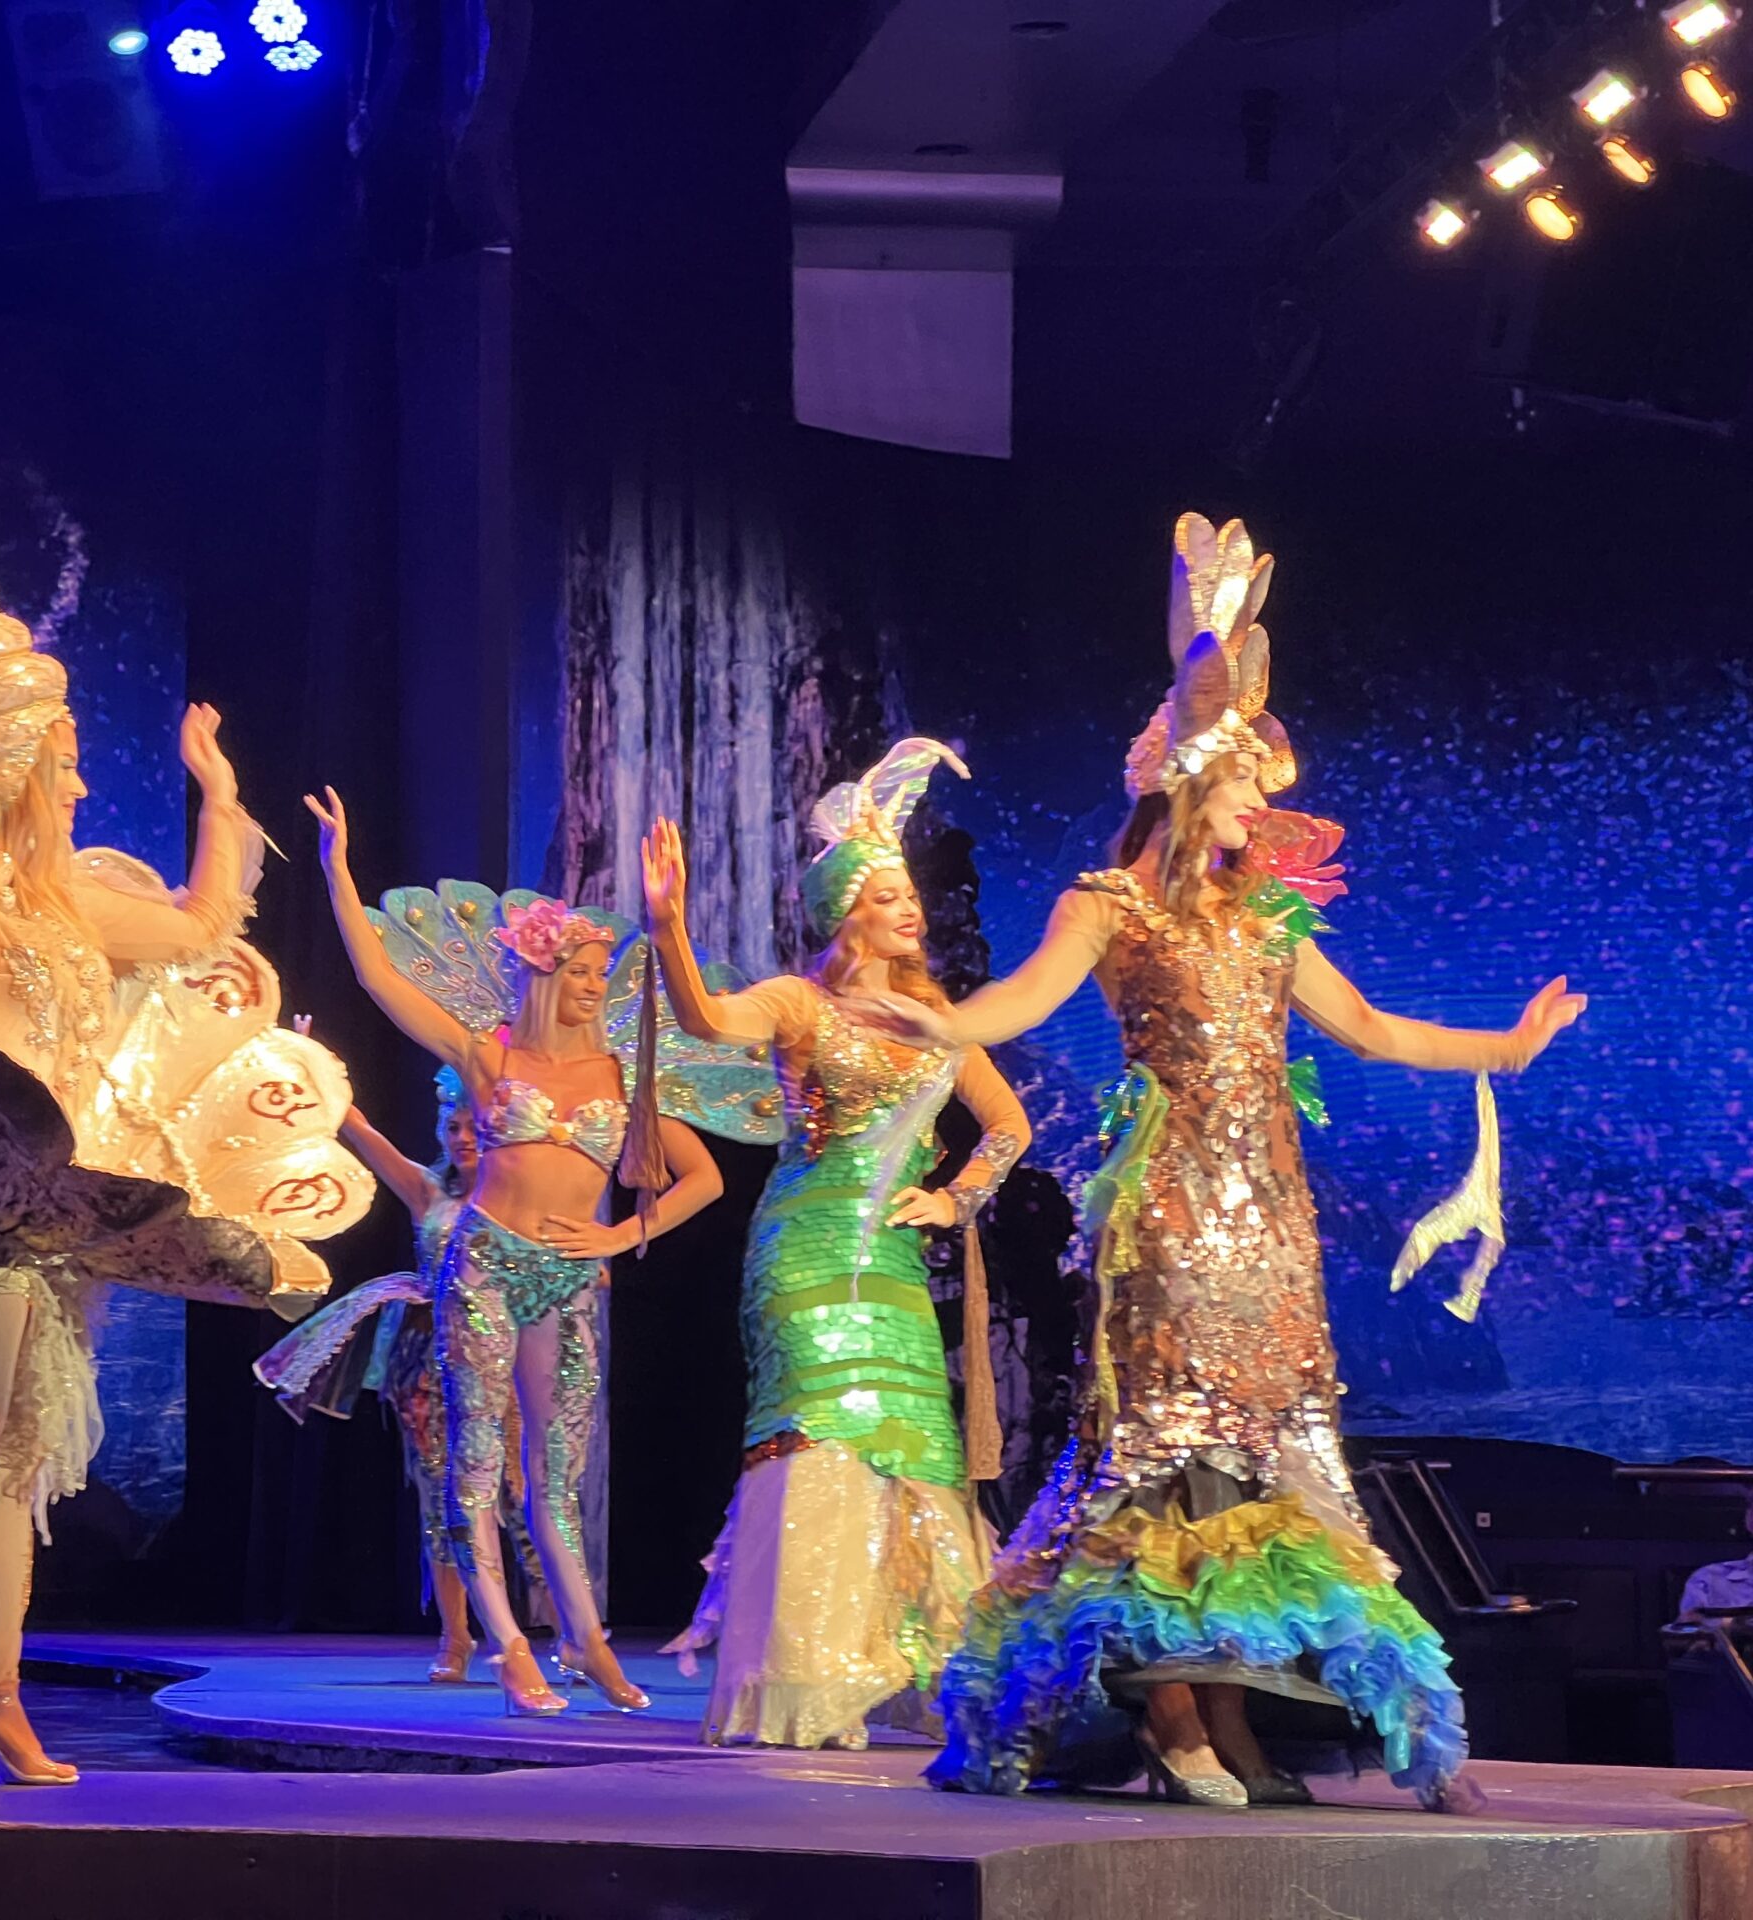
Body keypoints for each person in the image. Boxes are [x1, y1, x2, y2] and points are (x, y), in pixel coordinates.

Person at [916, 515, 1583, 1810]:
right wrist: (929, 1021)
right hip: (1165, 1210)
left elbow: (1372, 1028)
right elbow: (1015, 1004)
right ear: (1191, 779)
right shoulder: (1107, 905)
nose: (1263, 808)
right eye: (1244, 783)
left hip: (1267, 1218)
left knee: (1279, 1462)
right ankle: (1172, 1714)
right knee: (1166, 1452)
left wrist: (1506, 1044)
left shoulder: (1268, 918)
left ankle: (1244, 1714)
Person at [0, 481, 368, 1799]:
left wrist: (220, 798)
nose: (76, 778)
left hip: (56, 1218)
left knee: (14, 1467)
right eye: (60, 761)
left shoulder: (71, 899)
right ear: (13, 767)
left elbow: (203, 929)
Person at [303, 790, 780, 1712]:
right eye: (583, 972)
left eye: (603, 973)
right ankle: (508, 1644)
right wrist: (338, 870)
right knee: (477, 1459)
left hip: (567, 1281)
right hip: (484, 1265)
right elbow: (379, 979)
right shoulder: (490, 1058)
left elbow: (703, 1180)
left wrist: (622, 1233)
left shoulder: (620, 1075)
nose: (597, 986)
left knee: (556, 1479)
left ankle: (589, 1643)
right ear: (545, 976)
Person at [644, 739, 1030, 1749]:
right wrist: (669, 924)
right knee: (817, 1434)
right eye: (889, 896)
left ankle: (921, 1674)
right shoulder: (798, 1002)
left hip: (892, 1259)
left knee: (912, 1440)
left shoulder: (934, 1018)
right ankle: (808, 1677)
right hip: (806, 1248)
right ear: (846, 912)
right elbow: (706, 1019)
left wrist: (955, 1200)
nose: (911, 911)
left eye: (911, 896)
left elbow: (1007, 1126)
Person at [251, 1068, 564, 1678]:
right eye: (453, 1126)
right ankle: (455, 1637)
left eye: (474, 1127)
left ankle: (561, 1628)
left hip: (502, 1360)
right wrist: (310, 1068)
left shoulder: (522, 1200)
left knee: (519, 1491)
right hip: (427, 1361)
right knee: (443, 1496)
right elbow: (360, 1129)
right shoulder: (429, 1192)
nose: (463, 1137)